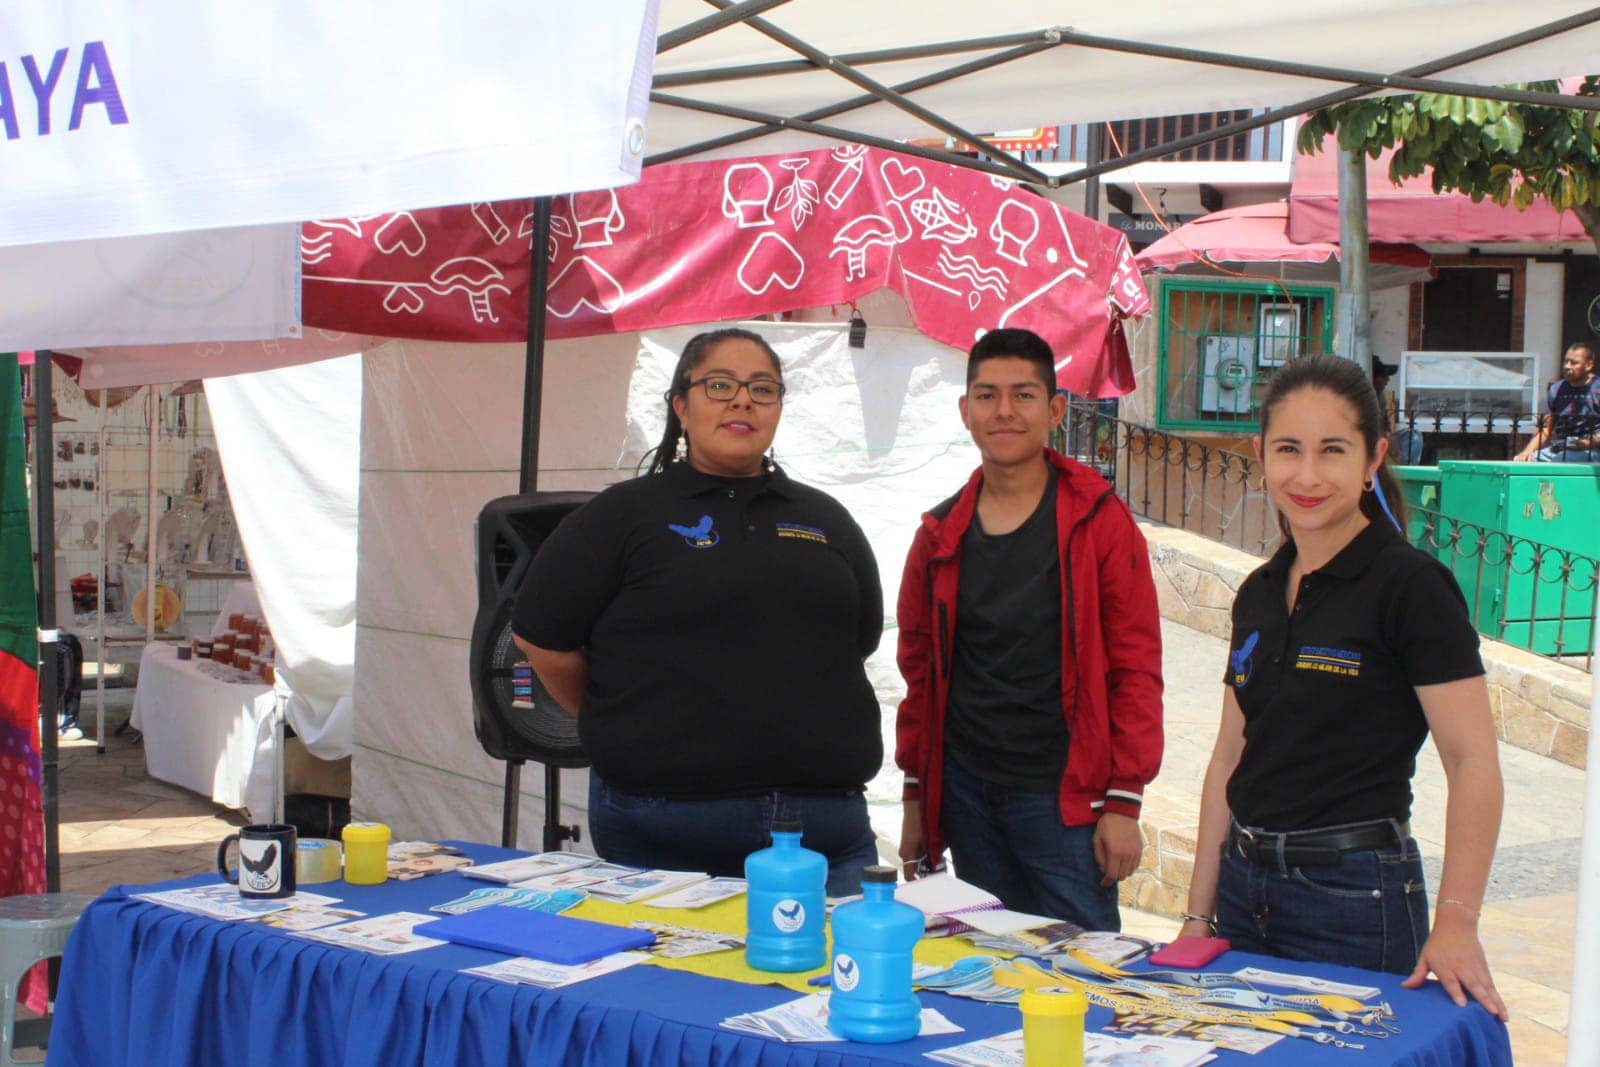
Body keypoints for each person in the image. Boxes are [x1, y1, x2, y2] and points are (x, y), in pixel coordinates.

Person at [1180, 355, 1507, 1019]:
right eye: (1288, 450)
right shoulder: (1260, 592)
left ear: (1372, 458)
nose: (1306, 475)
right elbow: (1228, 756)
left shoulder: (1411, 587)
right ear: (1261, 455)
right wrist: (1197, 914)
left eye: (1332, 450)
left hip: (1354, 900)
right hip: (1244, 891)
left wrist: (1457, 923)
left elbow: (1475, 763)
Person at [511, 328, 884, 896]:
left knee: (838, 980)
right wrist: (620, 716)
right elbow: (540, 638)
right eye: (720, 385)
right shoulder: (622, 515)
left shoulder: (825, 518)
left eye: (762, 389)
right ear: (681, 406)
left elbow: (854, 644)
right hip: (662, 830)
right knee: (670, 985)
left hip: (822, 835)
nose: (742, 401)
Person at [894, 328, 1164, 932]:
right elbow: (919, 676)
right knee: (987, 969)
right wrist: (917, 800)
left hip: (1065, 800)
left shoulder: (1098, 521)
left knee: (1085, 974)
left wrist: (1125, 798)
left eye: (1023, 395)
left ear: (1055, 409)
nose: (1004, 411)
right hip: (968, 795)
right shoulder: (939, 536)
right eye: (987, 396)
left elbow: (1136, 665)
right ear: (966, 412)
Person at [1514, 342, 1599, 463]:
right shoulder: (1556, 389)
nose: (1567, 366)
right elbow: (1545, 429)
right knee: (1527, 463)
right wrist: (1527, 452)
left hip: (1591, 451)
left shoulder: (1597, 388)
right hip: (1559, 449)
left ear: (1589, 365)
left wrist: (1588, 442)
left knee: (1560, 461)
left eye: (1574, 363)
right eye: (1565, 361)